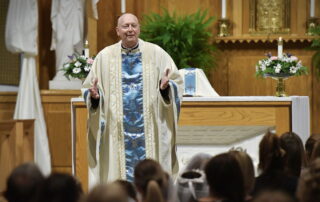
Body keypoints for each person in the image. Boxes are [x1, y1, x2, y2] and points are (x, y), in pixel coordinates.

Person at [82, 13, 183, 184]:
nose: (130, 30)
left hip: (150, 128)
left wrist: (165, 89)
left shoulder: (157, 53)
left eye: (134, 25)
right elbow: (89, 88)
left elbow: (176, 83)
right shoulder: (104, 57)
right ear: (117, 31)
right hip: (117, 134)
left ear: (139, 28)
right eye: (125, 26)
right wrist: (95, 98)